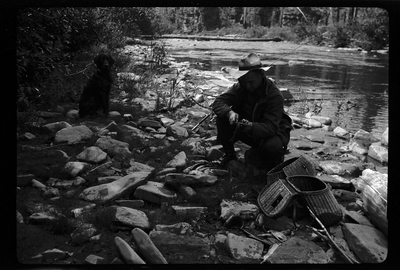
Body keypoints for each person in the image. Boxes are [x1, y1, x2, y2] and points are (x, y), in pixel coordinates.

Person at [212, 53, 292, 171]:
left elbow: (271, 128)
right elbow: (219, 102)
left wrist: (251, 126)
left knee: (273, 147)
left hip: (270, 133)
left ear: (261, 75)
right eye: (244, 82)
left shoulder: (274, 95)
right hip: (246, 127)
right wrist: (229, 113)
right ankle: (229, 155)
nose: (247, 86)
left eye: (250, 82)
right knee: (221, 118)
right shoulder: (241, 86)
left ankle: (272, 163)